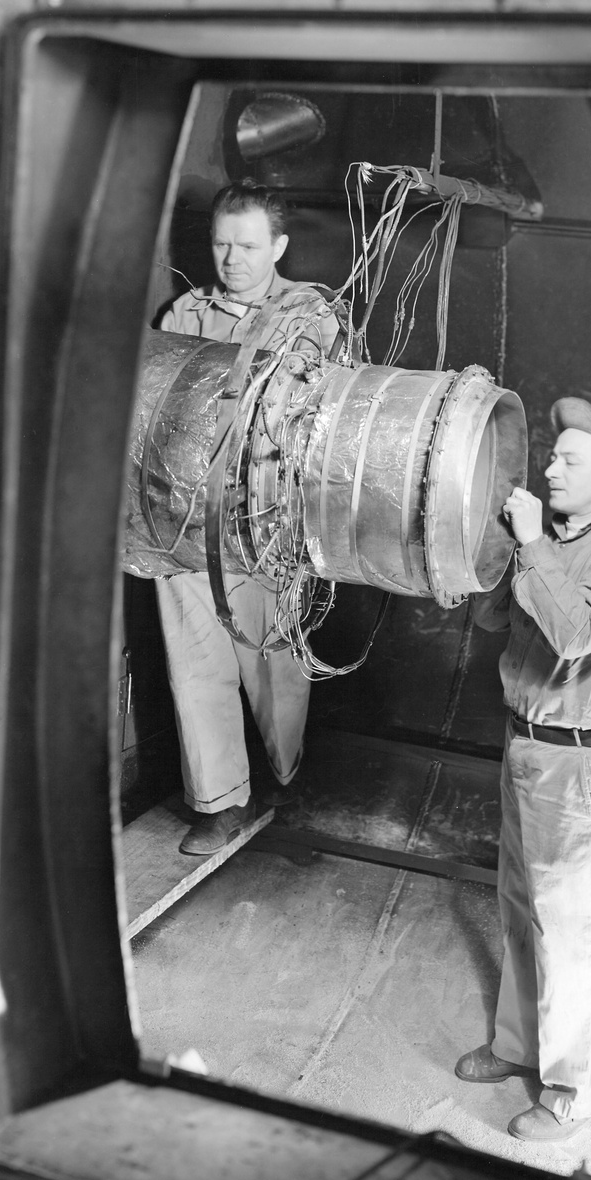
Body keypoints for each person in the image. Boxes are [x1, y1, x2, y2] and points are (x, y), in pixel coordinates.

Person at [455, 396, 591, 1144]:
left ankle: (577, 1093)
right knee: (520, 909)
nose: (548, 468)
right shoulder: (558, 539)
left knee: (577, 934)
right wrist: (511, 549)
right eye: (551, 456)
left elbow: (577, 635)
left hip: (585, 769)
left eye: (568, 460)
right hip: (529, 750)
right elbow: (491, 621)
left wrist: (535, 544)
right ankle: (519, 1048)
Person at [156, 179, 341, 855]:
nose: (231, 259)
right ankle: (220, 803)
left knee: (273, 663)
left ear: (280, 246)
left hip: (269, 522)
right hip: (179, 522)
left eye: (248, 245)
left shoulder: (310, 315)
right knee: (195, 664)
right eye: (221, 243)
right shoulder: (182, 316)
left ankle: (288, 775)